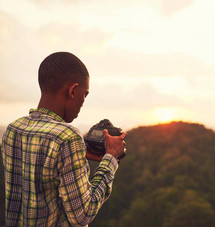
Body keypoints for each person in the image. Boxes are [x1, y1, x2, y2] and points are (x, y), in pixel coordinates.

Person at [1, 52, 127, 226]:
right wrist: (111, 158)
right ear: (73, 90)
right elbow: (83, 214)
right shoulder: (67, 138)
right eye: (85, 94)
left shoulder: (13, 130)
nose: (83, 102)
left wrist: (78, 156)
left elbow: (39, 176)